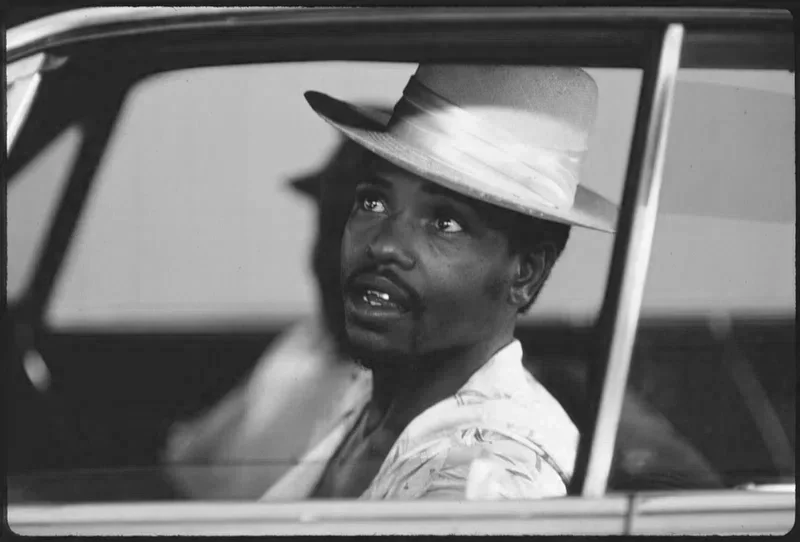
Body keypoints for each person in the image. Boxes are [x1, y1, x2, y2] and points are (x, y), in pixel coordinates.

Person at [259, 64, 619, 501]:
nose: (385, 245)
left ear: (525, 273)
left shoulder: (489, 481)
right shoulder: (370, 395)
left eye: (445, 222)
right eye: (373, 201)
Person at [162, 108, 392, 500]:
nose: (327, 259)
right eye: (327, 225)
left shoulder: (406, 395)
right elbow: (187, 464)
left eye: (353, 228)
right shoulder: (304, 346)